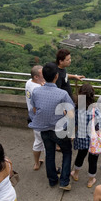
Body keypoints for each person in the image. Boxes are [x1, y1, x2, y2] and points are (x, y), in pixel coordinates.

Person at [29, 62, 75, 190]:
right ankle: (64, 182)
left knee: (49, 153)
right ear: (56, 76)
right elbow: (71, 113)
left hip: (43, 129)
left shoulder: (36, 91)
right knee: (67, 152)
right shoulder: (62, 94)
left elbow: (34, 109)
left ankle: (52, 180)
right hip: (59, 130)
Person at [71, 83, 101, 188]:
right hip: (94, 141)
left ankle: (76, 174)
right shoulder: (96, 111)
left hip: (81, 138)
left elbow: (75, 123)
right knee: (93, 160)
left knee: (80, 156)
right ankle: (90, 181)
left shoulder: (77, 109)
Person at [25, 65, 45, 170]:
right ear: (36, 77)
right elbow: (37, 107)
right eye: (42, 74)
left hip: (33, 118)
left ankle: (36, 164)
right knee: (47, 143)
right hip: (40, 119)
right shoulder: (38, 89)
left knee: (37, 142)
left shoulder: (29, 82)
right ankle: (51, 168)